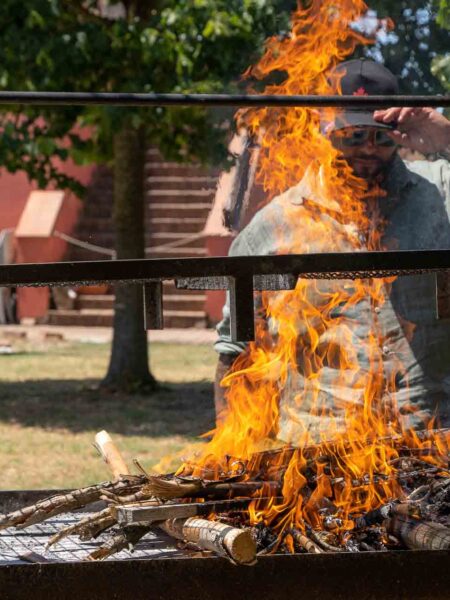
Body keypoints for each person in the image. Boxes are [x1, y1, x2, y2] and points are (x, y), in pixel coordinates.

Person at [214, 59, 450, 440]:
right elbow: (236, 352)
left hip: (432, 446)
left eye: (382, 137)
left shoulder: (441, 194)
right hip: (320, 454)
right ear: (324, 128)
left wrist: (447, 138)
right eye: (353, 136)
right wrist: (233, 450)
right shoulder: (272, 228)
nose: (368, 149)